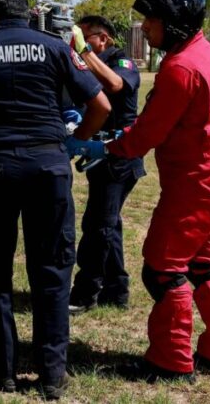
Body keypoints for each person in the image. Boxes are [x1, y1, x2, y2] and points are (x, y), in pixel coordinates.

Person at [70, 0, 210, 381]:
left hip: (196, 180)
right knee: (203, 265)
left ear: (175, 22)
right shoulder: (202, 51)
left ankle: (170, 361)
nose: (145, 28)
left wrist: (104, 148)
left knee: (163, 269)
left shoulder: (181, 67)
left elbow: (149, 132)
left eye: (151, 19)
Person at [0, 0, 110, 399]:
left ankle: (2, 370)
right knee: (51, 271)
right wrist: (76, 142)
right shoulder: (55, 47)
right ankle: (52, 374)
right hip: (47, 169)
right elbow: (101, 104)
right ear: (29, 17)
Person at [66, 16, 146, 313]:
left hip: (119, 157)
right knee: (108, 223)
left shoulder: (122, 63)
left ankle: (85, 292)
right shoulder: (91, 63)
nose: (80, 44)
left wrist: (83, 50)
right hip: (100, 154)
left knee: (97, 225)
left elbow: (114, 85)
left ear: (105, 39)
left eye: (88, 37)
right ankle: (117, 289)